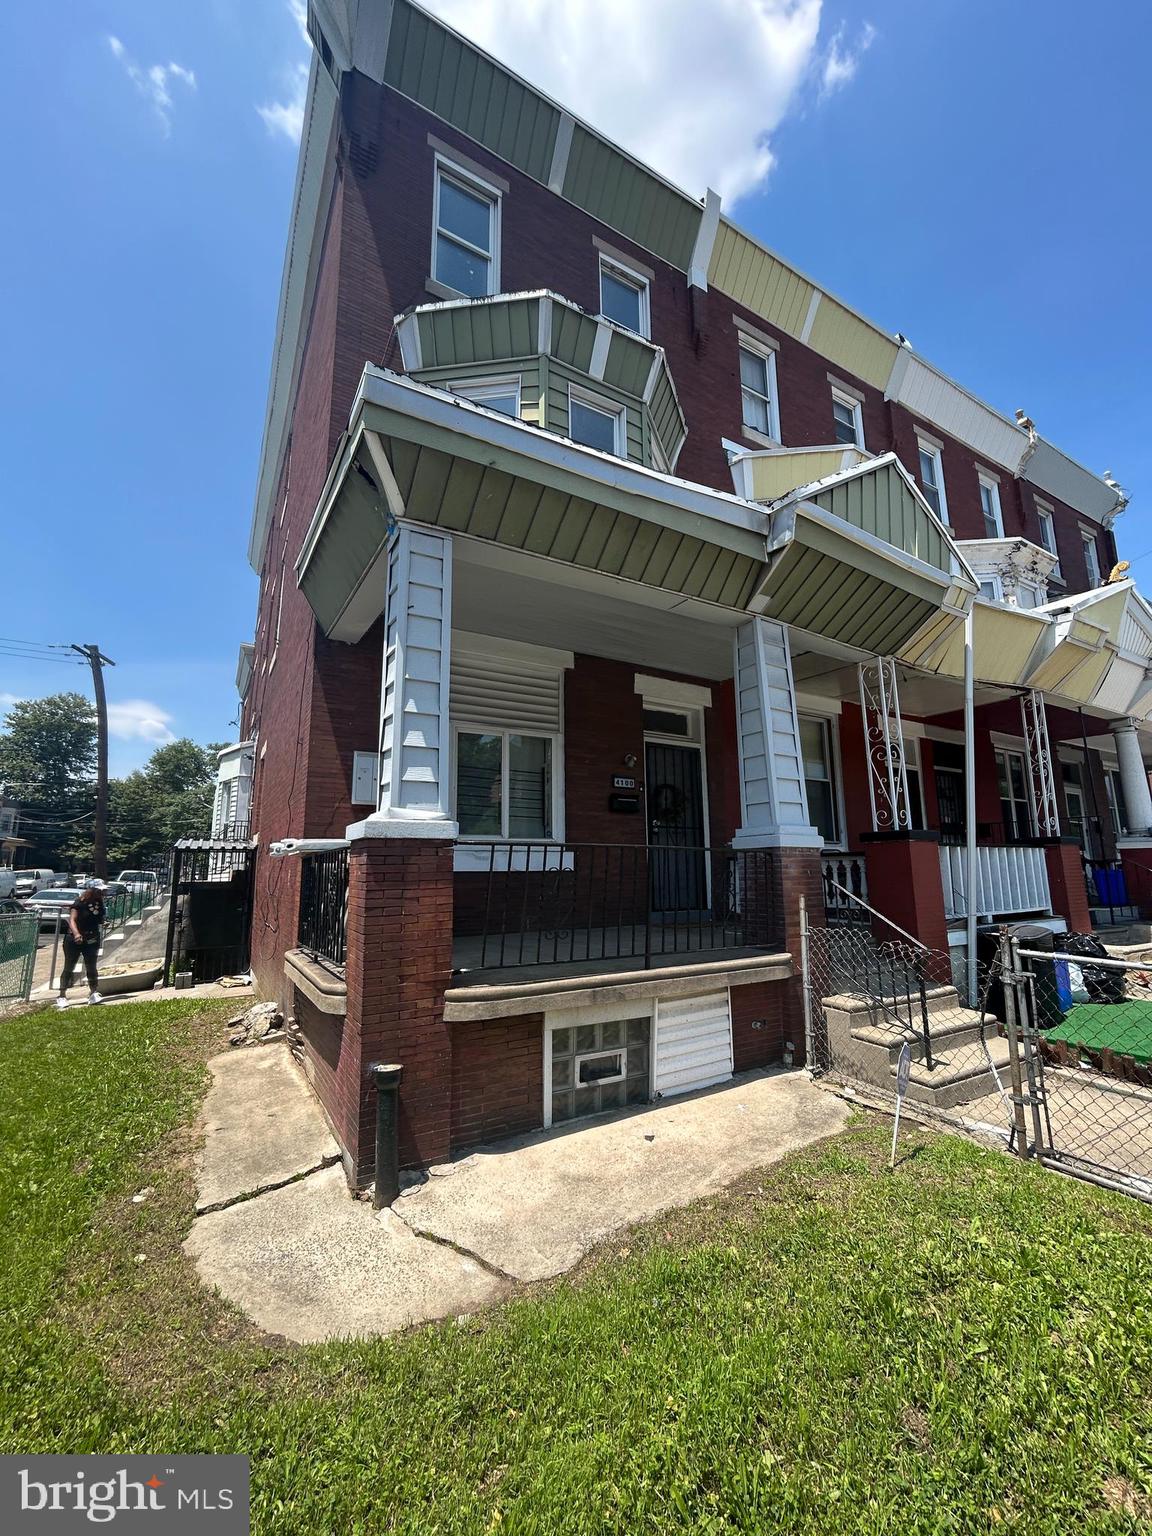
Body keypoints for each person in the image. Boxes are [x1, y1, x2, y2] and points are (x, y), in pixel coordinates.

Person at [55, 879, 106, 1009]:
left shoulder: (99, 903)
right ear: (91, 890)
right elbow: (72, 920)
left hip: (92, 938)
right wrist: (77, 934)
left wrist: (103, 923)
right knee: (69, 966)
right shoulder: (79, 902)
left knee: (91, 966)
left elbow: (99, 919)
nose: (102, 892)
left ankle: (93, 992)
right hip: (75, 939)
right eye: (99, 890)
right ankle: (62, 995)